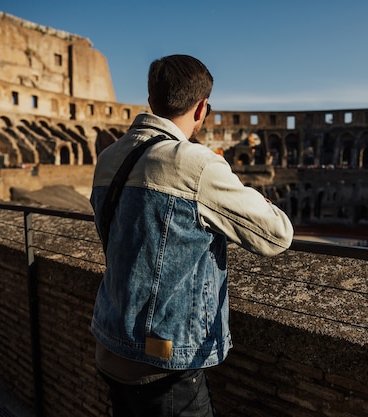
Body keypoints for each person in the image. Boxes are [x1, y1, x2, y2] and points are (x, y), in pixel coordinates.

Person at [90, 54, 293, 417]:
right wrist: (254, 197)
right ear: (202, 108)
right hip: (162, 361)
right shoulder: (196, 163)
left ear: (151, 102)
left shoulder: (108, 158)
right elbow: (276, 235)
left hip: (110, 341)